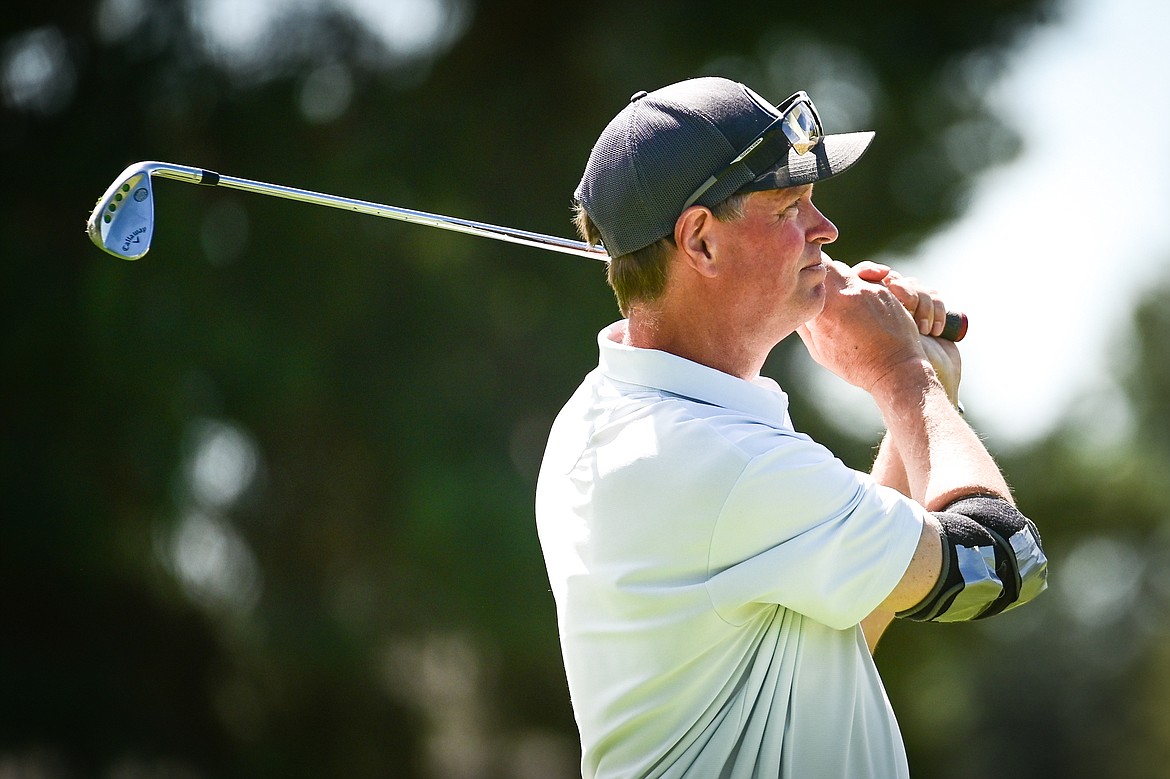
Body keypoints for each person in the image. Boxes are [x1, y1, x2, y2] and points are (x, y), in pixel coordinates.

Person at [534, 76, 1048, 778]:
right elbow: (1004, 562)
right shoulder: (723, 462)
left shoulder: (605, 418)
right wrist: (902, 376)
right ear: (701, 242)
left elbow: (825, 646)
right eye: (790, 206)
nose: (825, 229)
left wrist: (921, 405)